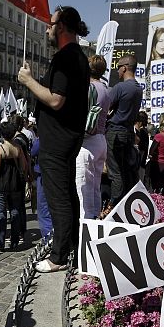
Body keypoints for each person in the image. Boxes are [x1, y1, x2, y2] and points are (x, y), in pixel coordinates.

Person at [18, 5, 89, 273]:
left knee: (58, 197)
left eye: (50, 25)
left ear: (61, 27)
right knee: (68, 195)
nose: (47, 29)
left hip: (57, 141)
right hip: (66, 138)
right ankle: (71, 246)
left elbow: (56, 100)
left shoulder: (65, 58)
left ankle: (59, 256)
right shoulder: (76, 56)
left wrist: (28, 81)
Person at [104, 55, 145, 210]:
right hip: (127, 132)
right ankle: (127, 204)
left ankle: (113, 205)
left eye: (118, 67)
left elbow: (104, 107)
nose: (117, 70)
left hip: (115, 132)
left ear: (125, 67)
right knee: (126, 170)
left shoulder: (120, 87)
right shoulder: (138, 88)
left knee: (115, 172)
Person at [76, 55, 110, 219]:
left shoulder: (88, 87)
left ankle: (85, 226)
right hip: (100, 139)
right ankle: (95, 220)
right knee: (95, 187)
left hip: (87, 141)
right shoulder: (104, 88)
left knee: (83, 189)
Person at [0, 120, 28, 251]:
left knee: (1, 214)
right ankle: (15, 241)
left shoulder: (0, 149)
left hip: (1, 184)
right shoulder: (18, 147)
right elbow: (23, 166)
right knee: (15, 211)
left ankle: (0, 242)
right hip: (15, 184)